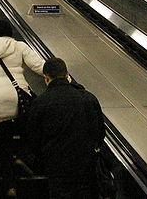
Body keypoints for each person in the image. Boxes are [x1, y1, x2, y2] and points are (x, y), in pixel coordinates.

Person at [0, 20, 45, 197]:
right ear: (9, 33)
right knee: (27, 133)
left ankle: (10, 186)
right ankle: (22, 156)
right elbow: (38, 66)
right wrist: (62, 76)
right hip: (18, 98)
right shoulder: (19, 46)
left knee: (2, 145)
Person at [25, 57, 105, 198]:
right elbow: (99, 132)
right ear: (67, 74)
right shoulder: (88, 98)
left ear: (46, 78)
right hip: (85, 165)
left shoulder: (40, 103)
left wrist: (43, 158)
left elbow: (33, 137)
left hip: (57, 166)